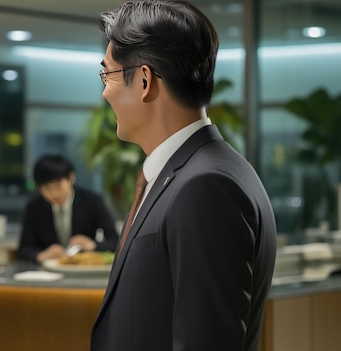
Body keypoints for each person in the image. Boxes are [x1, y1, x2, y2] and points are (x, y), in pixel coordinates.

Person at [91, 1, 277, 350]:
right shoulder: (202, 171)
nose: (104, 91)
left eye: (109, 74)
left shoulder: (205, 186)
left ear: (144, 81)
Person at [17, 154, 118, 263]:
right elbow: (24, 249)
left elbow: (115, 241)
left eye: (58, 186)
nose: (54, 194)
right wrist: (41, 255)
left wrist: (92, 245)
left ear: (71, 178)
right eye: (46, 188)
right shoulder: (34, 207)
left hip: (83, 266)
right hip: (47, 272)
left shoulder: (92, 202)